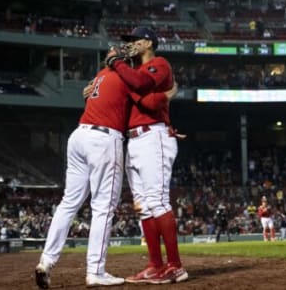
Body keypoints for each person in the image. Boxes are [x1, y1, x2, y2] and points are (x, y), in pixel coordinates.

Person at [35, 47, 171, 289]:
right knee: (103, 208)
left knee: (69, 203)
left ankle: (46, 261)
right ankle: (95, 271)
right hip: (104, 139)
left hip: (79, 135)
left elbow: (98, 94)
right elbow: (147, 98)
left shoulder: (101, 75)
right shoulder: (125, 75)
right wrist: (169, 94)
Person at [106, 26, 188, 284]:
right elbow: (139, 97)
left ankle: (175, 265)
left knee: (158, 201)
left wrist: (118, 66)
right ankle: (155, 265)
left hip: (154, 136)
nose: (130, 44)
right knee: (143, 207)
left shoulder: (160, 63)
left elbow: (143, 89)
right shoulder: (130, 71)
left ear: (149, 42)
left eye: (134, 39)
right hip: (134, 140)